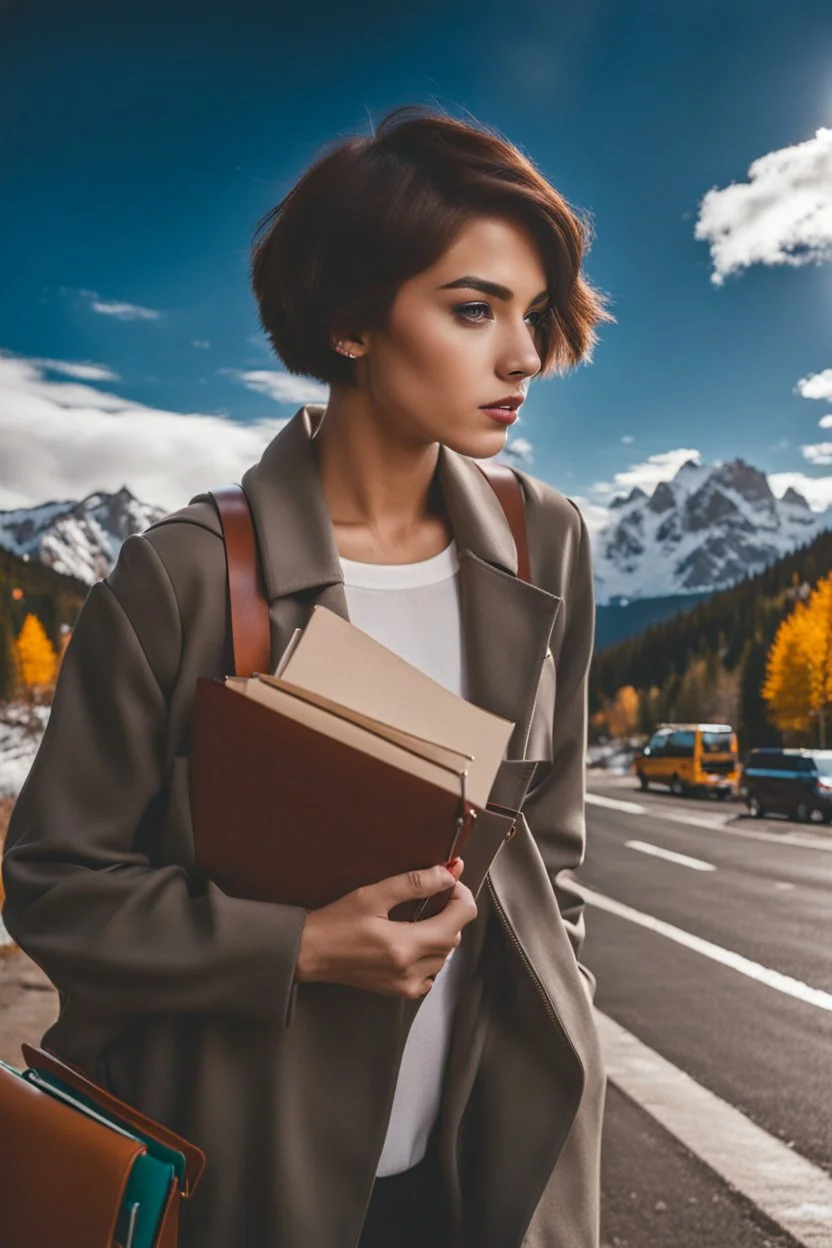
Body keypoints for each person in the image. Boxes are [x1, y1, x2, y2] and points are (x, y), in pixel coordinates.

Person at [2, 103, 612, 1247]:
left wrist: (559, 1011)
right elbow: (51, 883)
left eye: (531, 315)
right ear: (350, 322)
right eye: (473, 309)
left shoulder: (548, 545)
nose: (524, 356)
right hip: (248, 1167)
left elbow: (553, 849)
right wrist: (303, 946)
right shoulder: (181, 576)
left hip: (487, 1161)